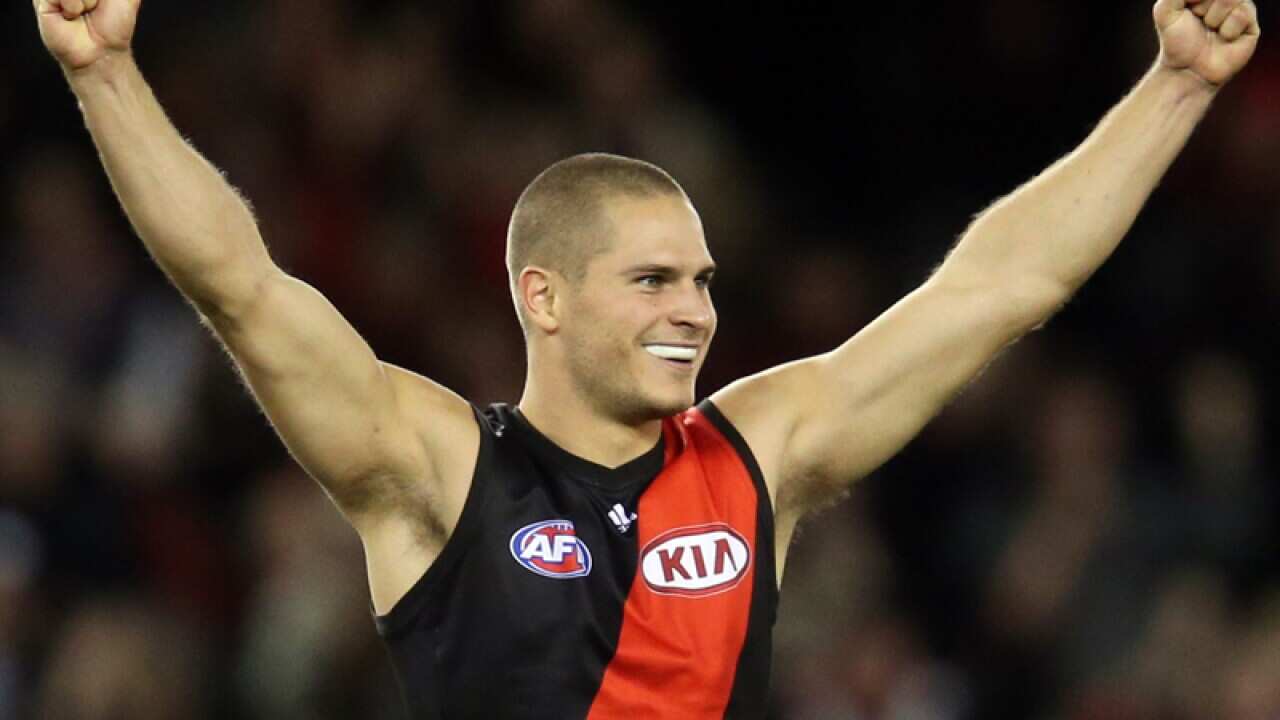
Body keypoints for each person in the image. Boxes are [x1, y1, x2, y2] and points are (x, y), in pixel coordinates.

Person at [33, 0, 1260, 717]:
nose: (694, 312)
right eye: (652, 280)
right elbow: (240, 286)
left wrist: (1174, 85)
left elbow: (997, 289)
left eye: (703, 282)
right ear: (543, 297)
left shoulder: (757, 451)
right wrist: (104, 73)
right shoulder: (439, 470)